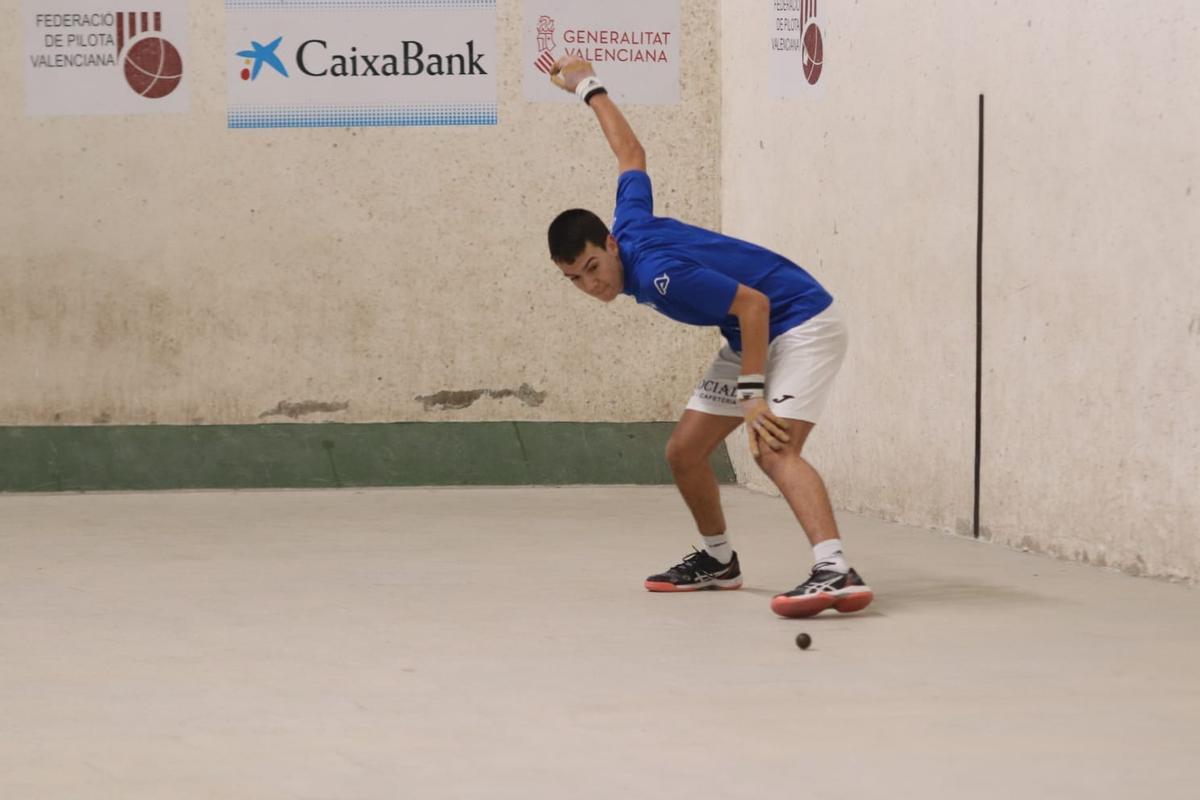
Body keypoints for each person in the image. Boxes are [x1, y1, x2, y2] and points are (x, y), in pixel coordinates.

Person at [546, 57, 872, 618]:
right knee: (684, 452)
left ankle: (835, 567)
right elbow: (631, 155)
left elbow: (754, 303)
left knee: (773, 449)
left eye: (594, 267)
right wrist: (587, 86)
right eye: (576, 279)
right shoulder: (627, 222)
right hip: (754, 331)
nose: (592, 285)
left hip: (800, 322)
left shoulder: (659, 276)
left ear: (610, 245)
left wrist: (751, 395)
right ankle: (719, 563)